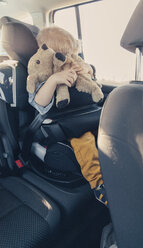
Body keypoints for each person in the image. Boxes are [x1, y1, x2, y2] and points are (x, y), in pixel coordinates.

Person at [28, 27, 108, 207]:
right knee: (85, 141)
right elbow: (38, 103)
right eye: (64, 54)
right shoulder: (43, 75)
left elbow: (91, 86)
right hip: (62, 125)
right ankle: (98, 183)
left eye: (72, 54)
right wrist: (54, 80)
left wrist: (87, 71)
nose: (69, 59)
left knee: (108, 132)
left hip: (84, 117)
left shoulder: (75, 66)